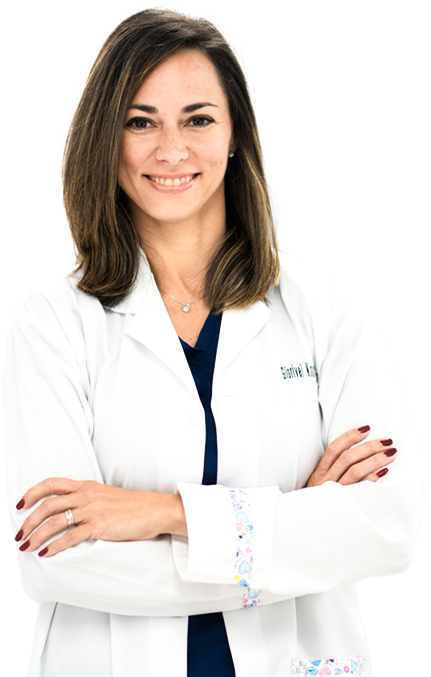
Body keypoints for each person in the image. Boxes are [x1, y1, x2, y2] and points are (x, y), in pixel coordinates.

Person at [2, 7, 429, 677]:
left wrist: (159, 514)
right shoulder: (50, 321)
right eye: (140, 122)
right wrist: (295, 526)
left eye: (198, 119)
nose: (171, 149)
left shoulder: (324, 308)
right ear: (104, 140)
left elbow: (390, 524)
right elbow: (60, 562)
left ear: (234, 136)